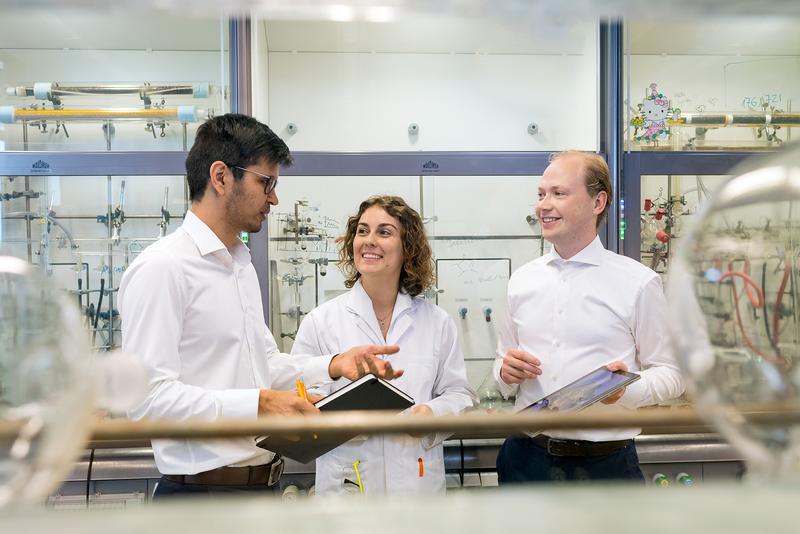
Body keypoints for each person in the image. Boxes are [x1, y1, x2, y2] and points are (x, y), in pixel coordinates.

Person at [119, 114, 401, 499]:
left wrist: (334, 364)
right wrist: (259, 404)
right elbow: (147, 400)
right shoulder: (163, 267)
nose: (273, 198)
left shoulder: (239, 265)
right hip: (200, 499)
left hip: (259, 489)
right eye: (265, 182)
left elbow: (263, 365)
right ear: (221, 177)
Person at [493, 151, 685, 483]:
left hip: (605, 466)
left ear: (598, 202)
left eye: (559, 193)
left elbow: (672, 373)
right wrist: (505, 372)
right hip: (525, 459)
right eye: (541, 194)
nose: (543, 205)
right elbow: (501, 369)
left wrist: (625, 391)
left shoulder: (638, 283)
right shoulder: (521, 281)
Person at [291, 195, 477, 495]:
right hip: (347, 483)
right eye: (362, 231)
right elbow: (297, 393)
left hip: (416, 483)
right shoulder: (321, 320)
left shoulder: (436, 321)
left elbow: (459, 393)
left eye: (384, 232)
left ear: (408, 248)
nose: (369, 241)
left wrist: (431, 414)